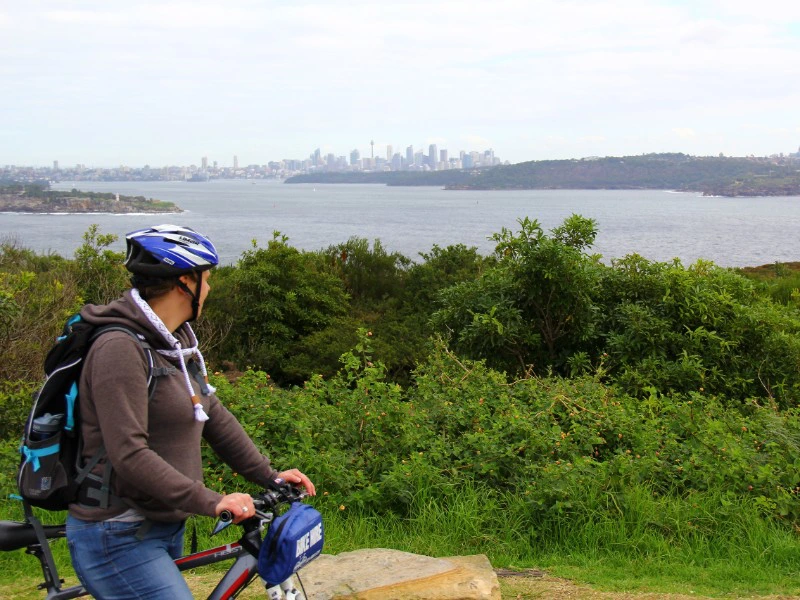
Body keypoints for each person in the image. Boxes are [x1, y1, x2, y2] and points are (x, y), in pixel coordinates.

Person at [66, 224, 315, 599]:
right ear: (185, 282)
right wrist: (212, 501)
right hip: (116, 531)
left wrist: (269, 476)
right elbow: (129, 454)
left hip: (164, 523)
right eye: (207, 279)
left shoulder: (175, 342)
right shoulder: (119, 349)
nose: (210, 289)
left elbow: (211, 414)